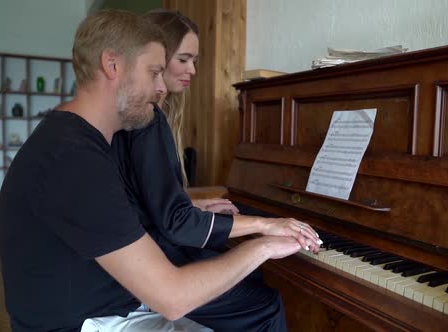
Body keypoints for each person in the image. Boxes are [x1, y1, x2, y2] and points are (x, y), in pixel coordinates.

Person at [0, 10, 304, 332]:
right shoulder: (71, 158)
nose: (161, 88)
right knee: (250, 307)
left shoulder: (76, 138)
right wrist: (263, 245)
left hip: (105, 304)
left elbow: (118, 214)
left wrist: (193, 209)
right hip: (86, 322)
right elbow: (173, 297)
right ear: (113, 65)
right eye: (154, 72)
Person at [110, 9, 321, 331]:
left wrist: (192, 205)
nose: (192, 69)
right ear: (156, 58)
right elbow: (175, 223)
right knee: (263, 303)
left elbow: (145, 199)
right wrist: (265, 225)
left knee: (240, 268)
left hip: (141, 249)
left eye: (194, 60)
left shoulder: (135, 115)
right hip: (148, 265)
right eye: (183, 59)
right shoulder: (149, 118)